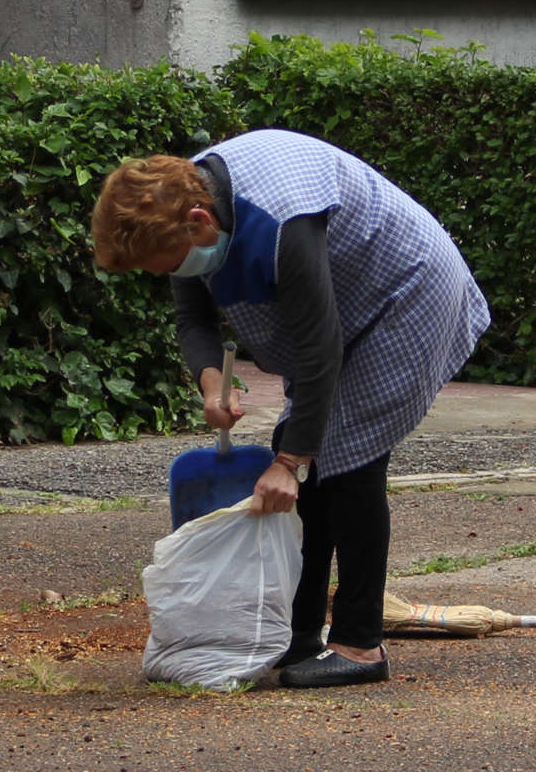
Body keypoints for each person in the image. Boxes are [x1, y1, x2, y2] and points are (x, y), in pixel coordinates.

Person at [92, 128, 490, 688]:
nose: (164, 275)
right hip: (346, 302)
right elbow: (194, 319)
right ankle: (300, 634)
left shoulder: (282, 220)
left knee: (348, 457)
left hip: (407, 290)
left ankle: (358, 643)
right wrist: (212, 384)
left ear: (200, 222)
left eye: (163, 265)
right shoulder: (182, 213)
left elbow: (317, 345)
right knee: (314, 460)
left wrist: (290, 461)